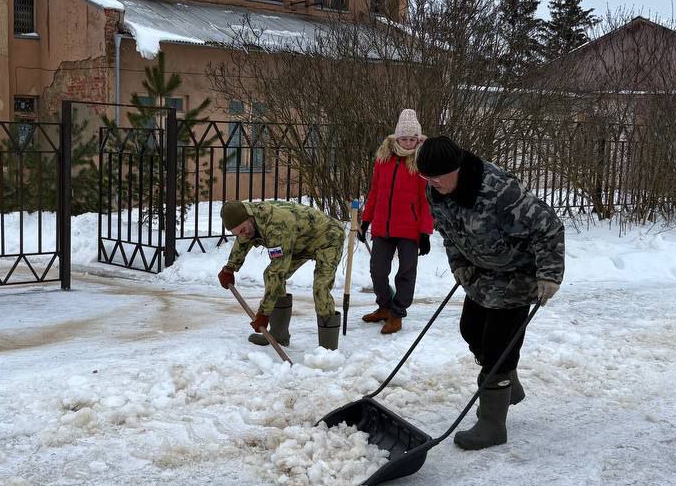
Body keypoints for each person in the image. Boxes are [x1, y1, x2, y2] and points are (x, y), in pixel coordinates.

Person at [416, 136, 565, 450]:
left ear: (456, 168)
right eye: (425, 178)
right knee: (470, 330)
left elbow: (549, 226)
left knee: (498, 346)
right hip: (482, 272)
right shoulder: (437, 191)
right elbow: (448, 234)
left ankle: (492, 424)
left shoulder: (498, 190)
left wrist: (549, 275)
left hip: (518, 274)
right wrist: (460, 266)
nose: (431, 184)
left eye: (437, 177)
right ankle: (507, 383)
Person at [217, 200, 346, 350]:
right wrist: (229, 268)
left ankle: (328, 351)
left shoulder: (276, 225)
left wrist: (264, 313)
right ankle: (279, 335)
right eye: (238, 232)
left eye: (243, 229)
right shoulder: (247, 222)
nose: (243, 234)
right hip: (299, 242)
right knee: (269, 275)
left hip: (327, 237)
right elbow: (243, 241)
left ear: (249, 218)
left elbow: (278, 271)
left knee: (320, 288)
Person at [358, 109, 434, 335]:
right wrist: (365, 221)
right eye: (404, 138)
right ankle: (384, 306)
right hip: (383, 225)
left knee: (406, 272)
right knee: (378, 270)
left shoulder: (421, 162)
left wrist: (425, 232)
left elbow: (426, 201)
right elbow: (375, 193)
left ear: (417, 139)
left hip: (410, 229)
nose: (408, 143)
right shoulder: (383, 160)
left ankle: (397, 313)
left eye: (412, 139)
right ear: (396, 138)